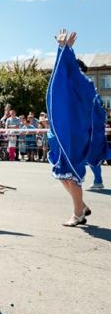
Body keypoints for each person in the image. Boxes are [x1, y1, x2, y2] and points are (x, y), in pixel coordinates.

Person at [46, 29, 108, 226]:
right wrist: (63, 48)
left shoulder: (84, 86)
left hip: (74, 137)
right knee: (61, 173)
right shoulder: (70, 86)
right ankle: (80, 205)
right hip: (63, 135)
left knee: (72, 176)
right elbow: (58, 79)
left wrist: (64, 49)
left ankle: (78, 214)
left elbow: (96, 112)